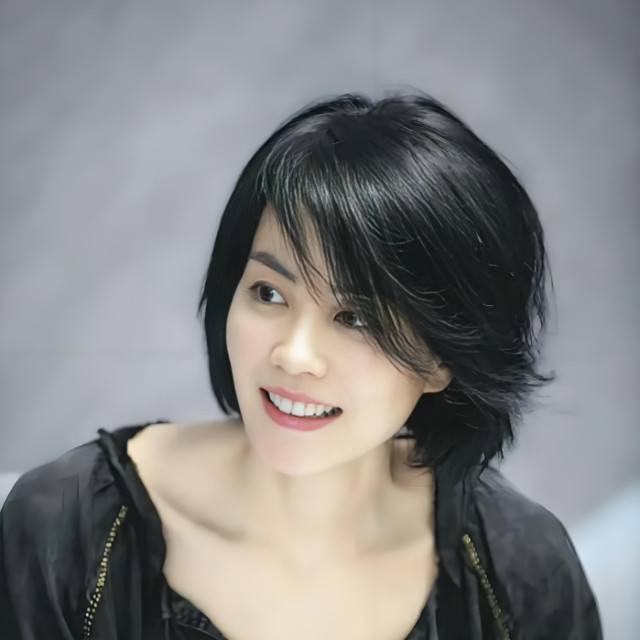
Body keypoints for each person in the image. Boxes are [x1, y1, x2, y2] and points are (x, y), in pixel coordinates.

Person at [0, 92, 602, 640]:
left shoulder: (522, 572)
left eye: (357, 318)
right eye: (268, 293)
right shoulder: (67, 530)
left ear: (444, 357)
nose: (294, 353)